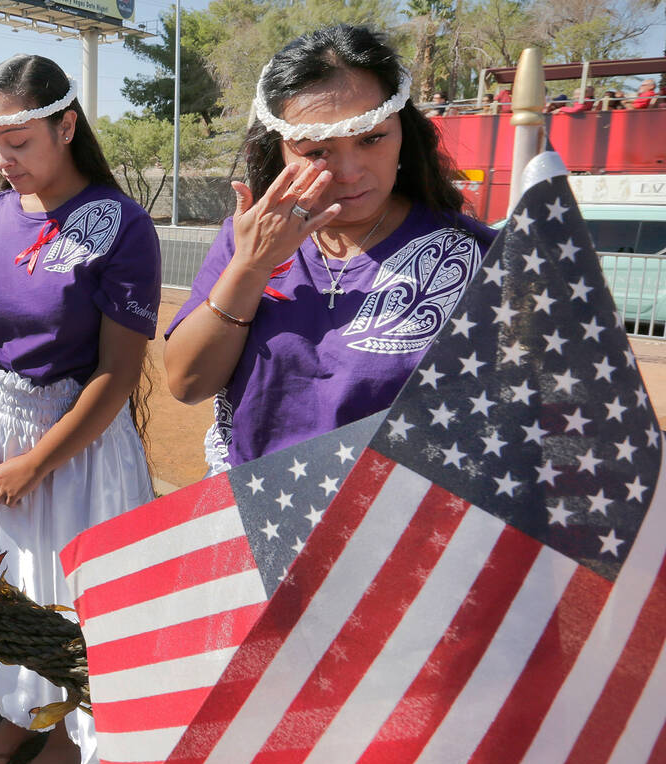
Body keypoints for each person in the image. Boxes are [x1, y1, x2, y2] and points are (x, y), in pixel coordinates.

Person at [0, 54, 159, 764]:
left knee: (68, 598)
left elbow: (116, 376)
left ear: (67, 126)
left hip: (75, 445)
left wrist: (38, 460)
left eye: (20, 142)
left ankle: (63, 734)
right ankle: (7, 712)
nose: (4, 161)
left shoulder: (121, 227)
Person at [164, 24, 495, 473]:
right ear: (279, 150)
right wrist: (251, 266)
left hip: (390, 526)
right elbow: (188, 382)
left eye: (372, 138)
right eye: (318, 151)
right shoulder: (248, 237)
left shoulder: (475, 260)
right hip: (249, 516)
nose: (351, 171)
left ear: (403, 132)